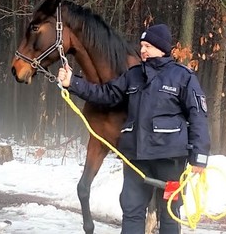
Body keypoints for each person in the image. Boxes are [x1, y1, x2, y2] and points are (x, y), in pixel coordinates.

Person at [58, 24, 211, 234]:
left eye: (147, 45)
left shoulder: (183, 76)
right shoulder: (133, 75)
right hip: (136, 159)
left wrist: (199, 156)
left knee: (170, 213)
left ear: (161, 48)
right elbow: (106, 94)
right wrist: (72, 83)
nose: (143, 50)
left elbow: (198, 115)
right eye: (141, 45)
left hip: (170, 160)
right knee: (131, 211)